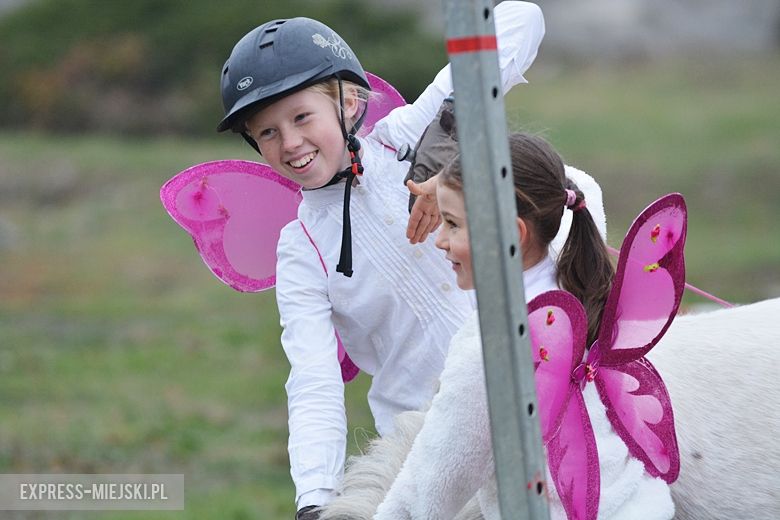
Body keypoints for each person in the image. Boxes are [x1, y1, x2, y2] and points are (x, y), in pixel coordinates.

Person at [216, 4, 550, 518]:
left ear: (348, 103)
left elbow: (520, 18)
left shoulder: (406, 138)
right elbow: (313, 379)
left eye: (302, 117)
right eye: (267, 132)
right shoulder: (300, 249)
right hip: (431, 444)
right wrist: (315, 500)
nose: (291, 143)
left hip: (538, 386)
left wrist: (447, 154)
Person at [329, 133, 675, 519]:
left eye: (453, 224)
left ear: (513, 233)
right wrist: (450, 179)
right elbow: (557, 186)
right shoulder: (576, 284)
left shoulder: (491, 346)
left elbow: (436, 479)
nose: (439, 240)